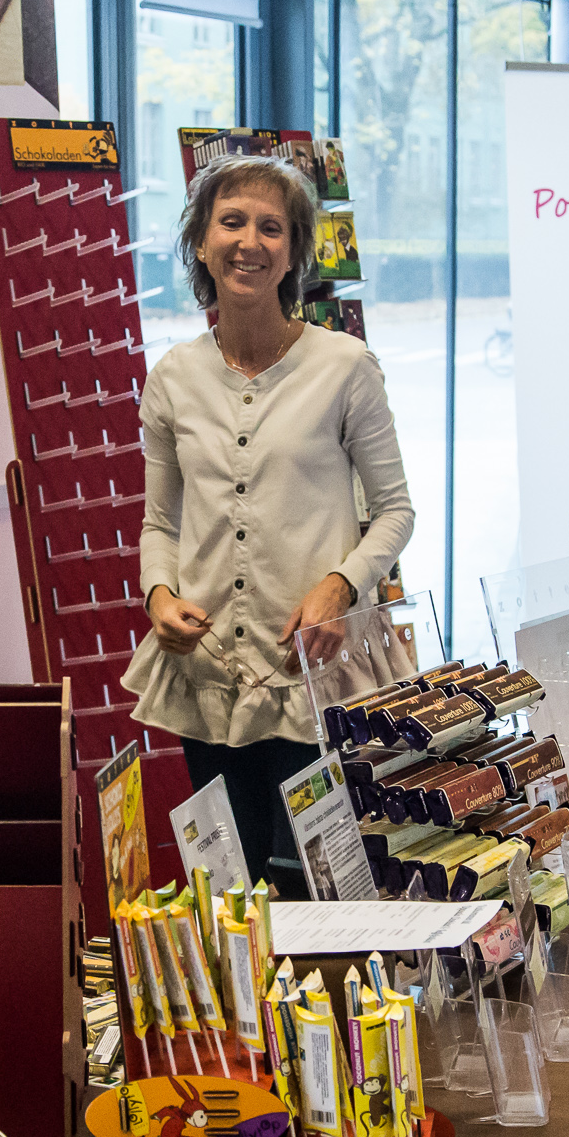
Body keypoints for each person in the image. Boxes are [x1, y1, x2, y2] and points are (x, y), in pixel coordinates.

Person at [122, 154, 414, 886]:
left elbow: (394, 511)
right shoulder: (173, 378)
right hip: (207, 675)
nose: (249, 241)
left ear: (293, 254)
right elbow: (160, 524)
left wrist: (341, 588)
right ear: (201, 242)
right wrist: (158, 594)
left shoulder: (346, 367)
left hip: (312, 676)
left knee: (327, 887)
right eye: (231, 222)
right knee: (226, 890)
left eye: (271, 228)